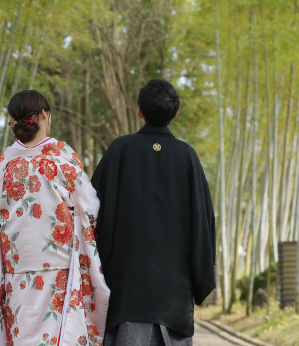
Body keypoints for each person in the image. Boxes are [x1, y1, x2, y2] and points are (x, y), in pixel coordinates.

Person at [0, 90, 110, 346]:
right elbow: (90, 207)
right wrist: (76, 220)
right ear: (45, 115)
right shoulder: (61, 157)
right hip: (59, 265)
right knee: (60, 333)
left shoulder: (6, 163)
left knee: (21, 333)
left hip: (17, 265)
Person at [91, 79, 215, 346]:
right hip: (174, 296)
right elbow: (203, 224)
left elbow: (91, 216)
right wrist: (201, 281)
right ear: (175, 114)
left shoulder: (119, 151)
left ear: (139, 111)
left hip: (126, 293)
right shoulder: (187, 157)